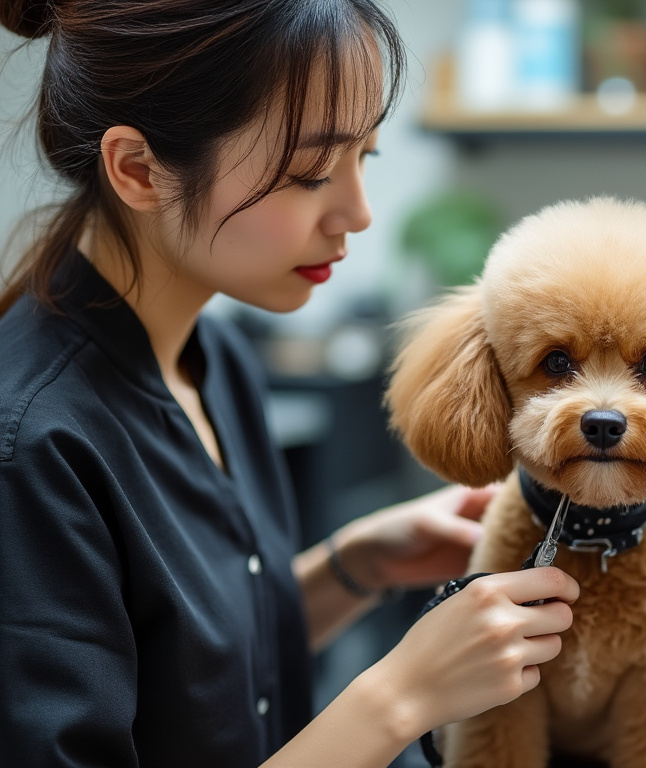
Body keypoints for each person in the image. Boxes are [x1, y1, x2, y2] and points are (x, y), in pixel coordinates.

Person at [0, 1, 579, 766]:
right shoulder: (36, 449)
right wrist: (403, 695)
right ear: (139, 170)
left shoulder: (216, 357)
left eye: (364, 157)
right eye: (310, 172)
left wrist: (353, 565)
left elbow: (189, 679)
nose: (358, 213)